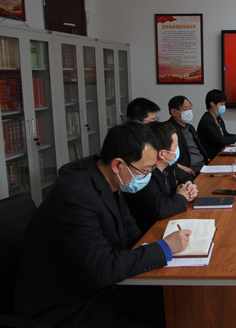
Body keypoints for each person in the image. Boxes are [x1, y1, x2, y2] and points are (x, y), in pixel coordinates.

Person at [13, 122, 191, 327]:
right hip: (70, 308)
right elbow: (102, 268)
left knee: (179, 301)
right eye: (144, 170)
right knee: (171, 311)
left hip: (103, 290)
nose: (148, 175)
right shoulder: (75, 197)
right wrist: (164, 248)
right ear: (117, 165)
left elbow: (131, 234)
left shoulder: (109, 180)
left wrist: (164, 248)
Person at [125, 121, 198, 234]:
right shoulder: (145, 174)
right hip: (150, 231)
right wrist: (182, 197)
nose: (178, 149)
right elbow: (161, 209)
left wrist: (189, 187)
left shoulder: (169, 165)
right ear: (162, 154)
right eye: (176, 146)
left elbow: (186, 176)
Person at [198, 89, 236, 159]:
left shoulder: (218, 118)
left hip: (221, 153)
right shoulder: (206, 121)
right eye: (221, 104)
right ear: (212, 104)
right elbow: (220, 140)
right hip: (212, 157)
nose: (224, 106)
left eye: (224, 104)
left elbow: (225, 134)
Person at [167, 95, 210, 175]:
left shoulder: (190, 127)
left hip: (203, 166)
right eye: (185, 109)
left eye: (190, 108)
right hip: (189, 170)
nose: (189, 111)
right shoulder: (168, 129)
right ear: (174, 112)